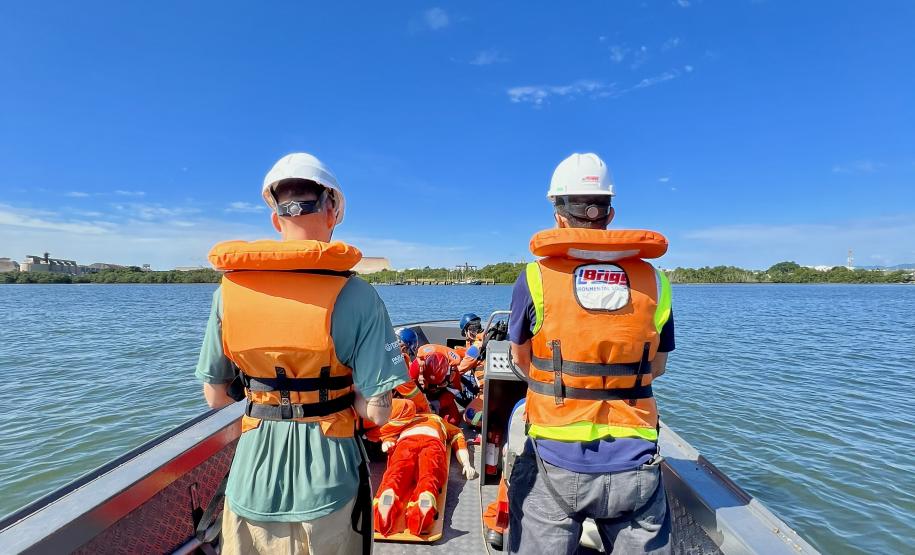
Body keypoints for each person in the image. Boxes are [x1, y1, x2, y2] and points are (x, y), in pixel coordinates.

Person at [195, 152, 409, 555]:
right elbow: (378, 412)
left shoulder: (229, 293)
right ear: (333, 210)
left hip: (250, 482)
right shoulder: (359, 296)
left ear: (275, 218)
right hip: (329, 487)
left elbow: (214, 396)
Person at [507, 153, 675, 555]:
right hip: (635, 458)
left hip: (554, 459)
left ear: (558, 214)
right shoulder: (655, 280)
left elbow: (520, 361)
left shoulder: (535, 277)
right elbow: (658, 366)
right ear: (609, 213)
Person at [370, 399, 478, 536]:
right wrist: (466, 464)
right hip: (432, 443)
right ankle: (423, 503)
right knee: (429, 476)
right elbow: (458, 438)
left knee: (396, 473)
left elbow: (390, 432)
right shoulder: (440, 421)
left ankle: (386, 500)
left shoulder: (408, 417)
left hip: (406, 442)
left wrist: (388, 442)